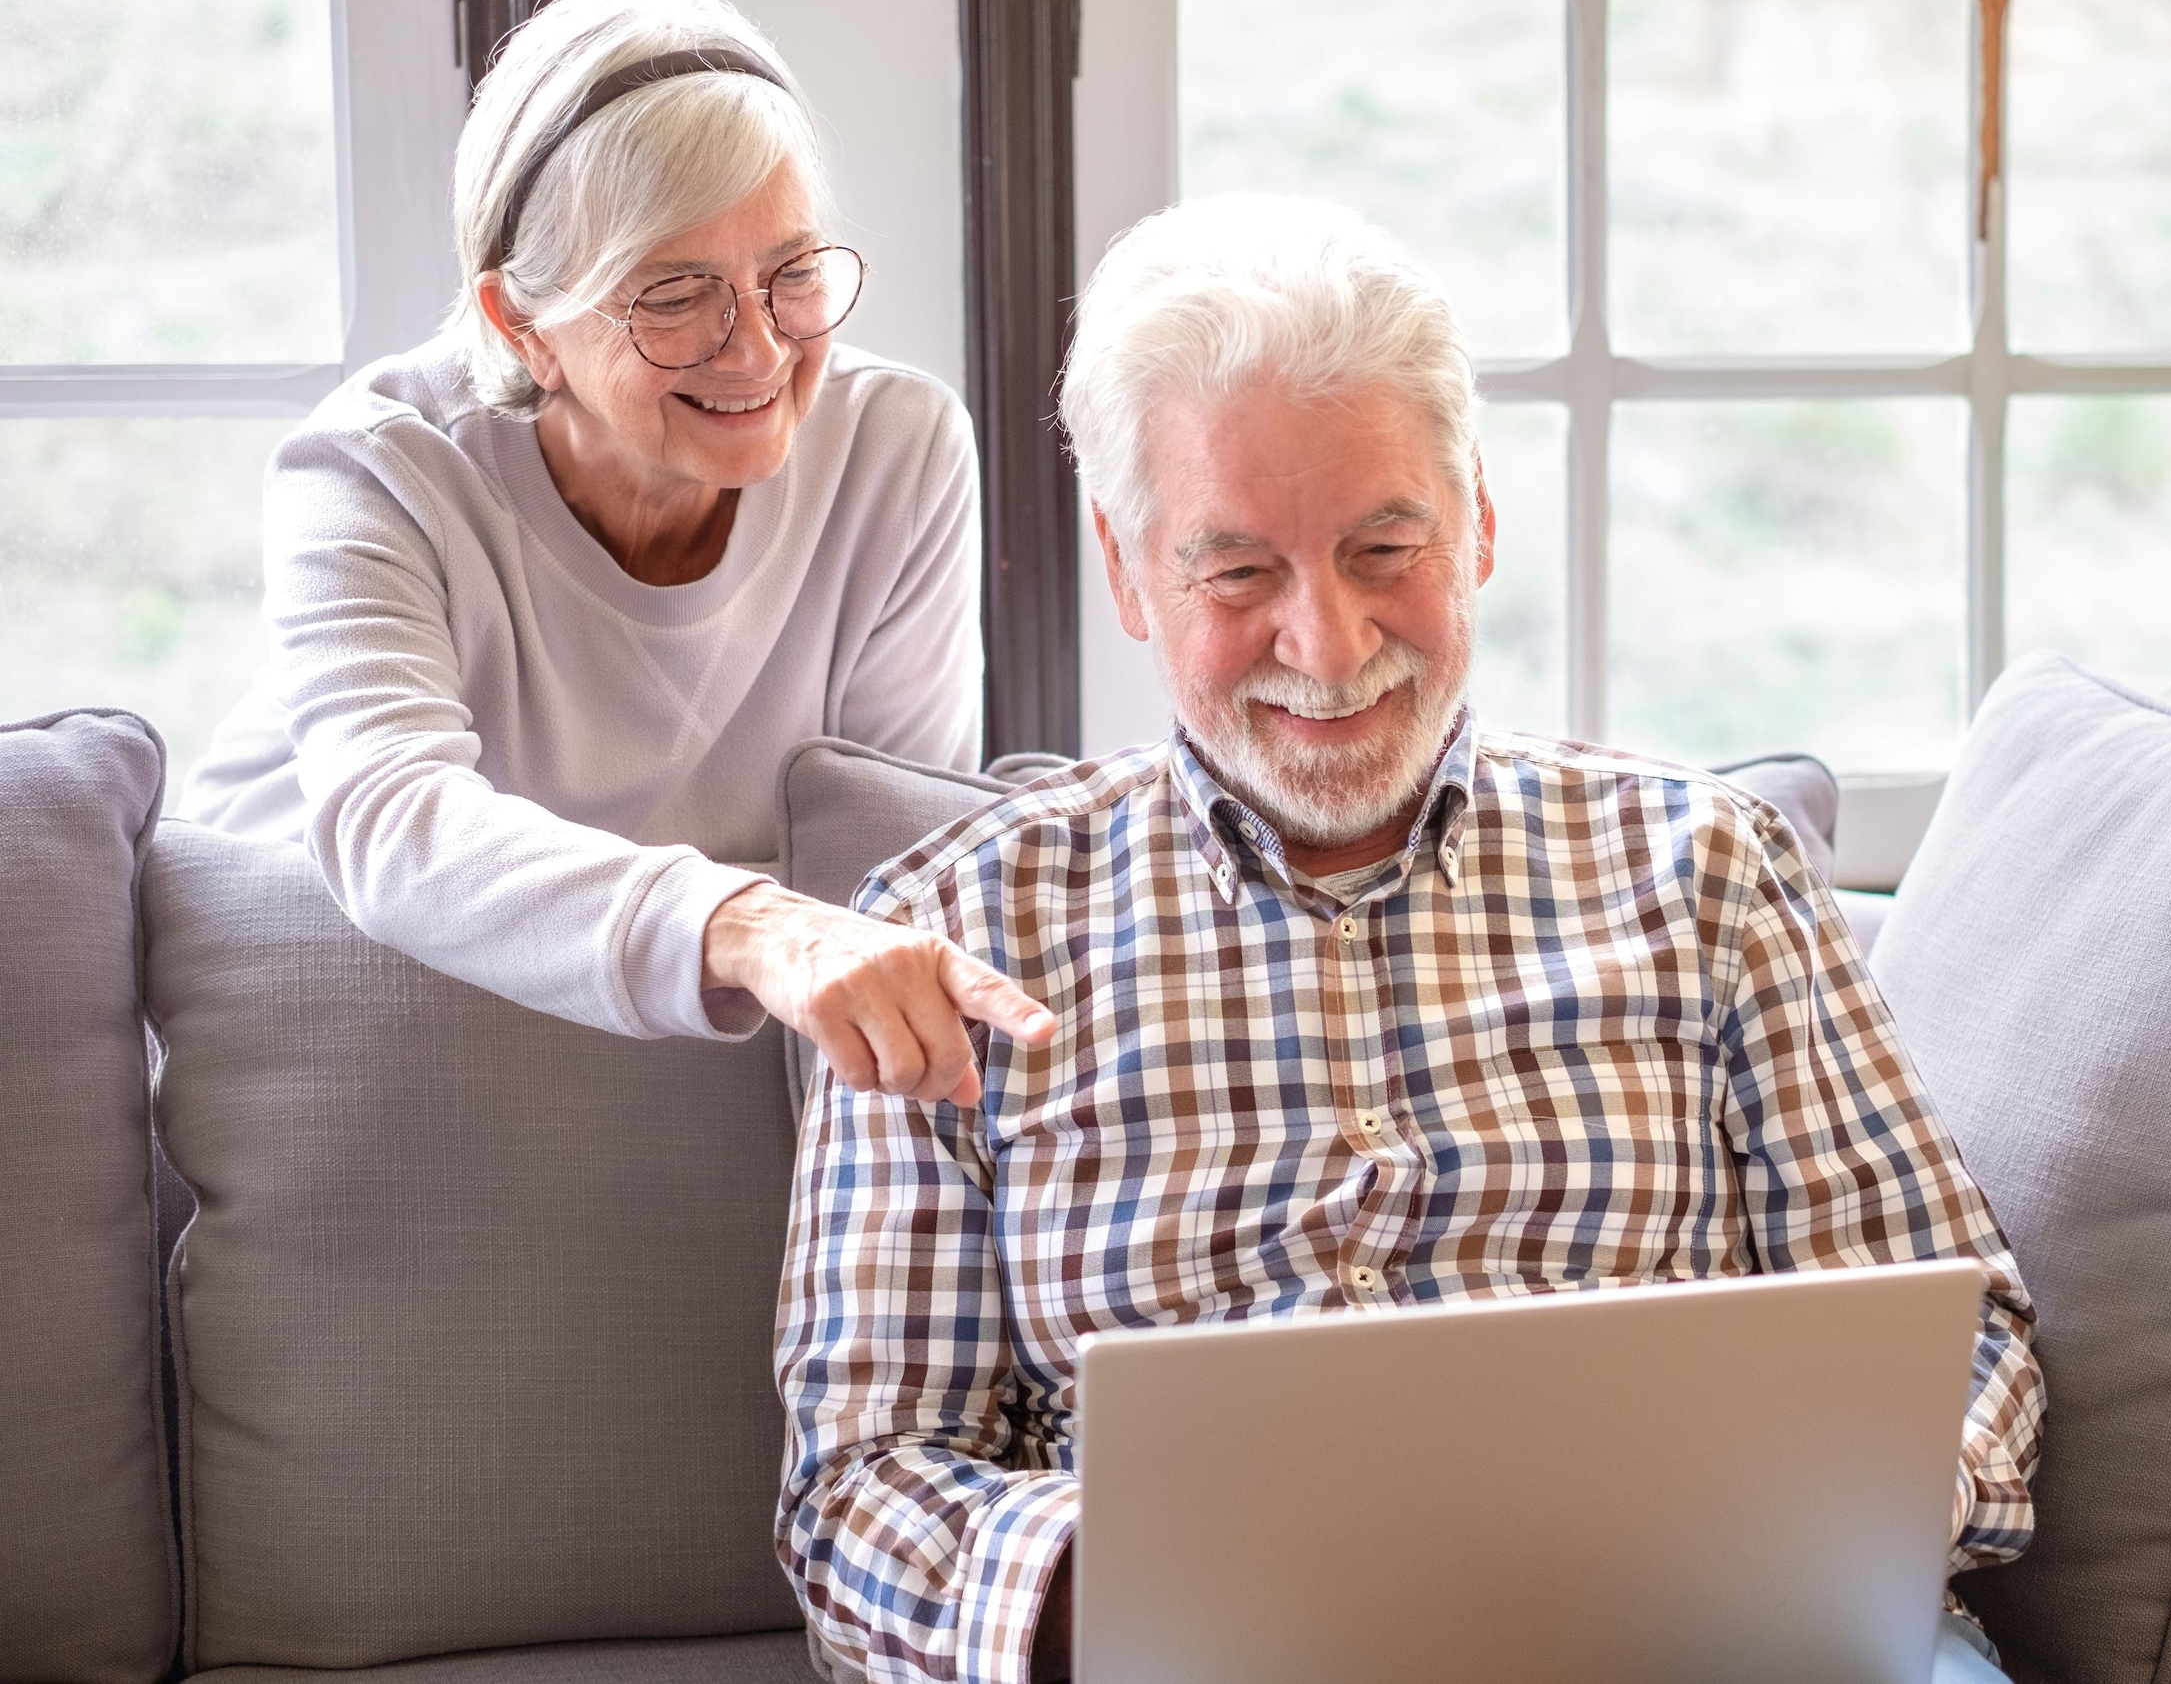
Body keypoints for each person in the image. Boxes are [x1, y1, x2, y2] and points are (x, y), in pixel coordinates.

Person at [772, 195, 2043, 1684]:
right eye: (1237, 574)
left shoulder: (1710, 871)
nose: (1328, 642)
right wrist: (1129, 1580)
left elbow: (1964, 1336)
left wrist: (1805, 1523)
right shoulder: (950, 931)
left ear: (1478, 521)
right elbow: (857, 1487)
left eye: (1385, 547)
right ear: (1126, 571)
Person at [182, 0, 1050, 1099]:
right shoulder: (373, 469)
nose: (757, 351)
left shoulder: (895, 449)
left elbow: (895, 854)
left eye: (791, 271)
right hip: (340, 1017)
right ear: (522, 324)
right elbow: (393, 824)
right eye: (675, 295)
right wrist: (747, 921)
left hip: (686, 1035)